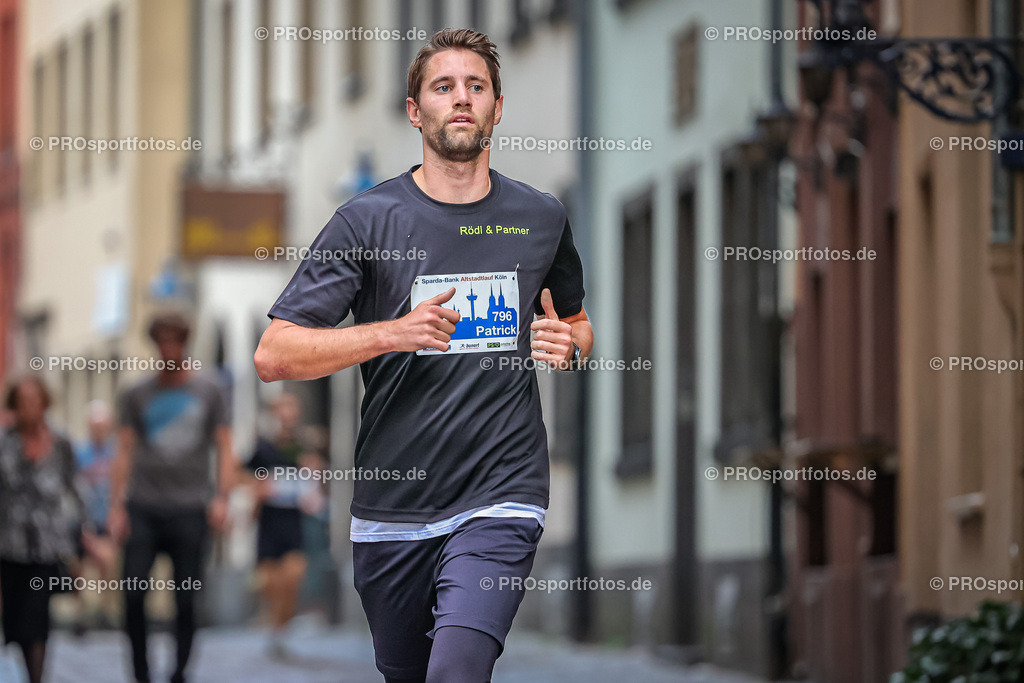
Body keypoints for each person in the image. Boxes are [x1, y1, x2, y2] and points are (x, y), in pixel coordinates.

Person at [255, 28, 592, 683]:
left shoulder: (540, 217)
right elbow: (275, 353)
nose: (461, 99)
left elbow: (576, 326)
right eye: (444, 87)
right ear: (415, 111)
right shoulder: (367, 220)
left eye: (476, 86)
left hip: (502, 491)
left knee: (455, 673)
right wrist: (390, 332)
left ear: (497, 107)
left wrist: (570, 345)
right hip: (393, 510)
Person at [108, 310, 238, 683]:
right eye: (161, 341)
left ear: (184, 343)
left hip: (190, 507)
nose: (168, 349)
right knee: (132, 593)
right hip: (144, 506)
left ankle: (180, 671)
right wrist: (117, 506)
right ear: (155, 345)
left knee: (186, 597)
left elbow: (224, 446)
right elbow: (125, 451)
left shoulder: (209, 389)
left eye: (174, 341)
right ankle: (141, 673)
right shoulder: (137, 393)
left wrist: (222, 498)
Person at [0, 377, 84, 683]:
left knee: (38, 612)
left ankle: (37, 677)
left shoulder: (60, 443)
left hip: (48, 543)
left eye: (34, 401)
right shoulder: (4, 442)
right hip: (10, 543)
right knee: (16, 617)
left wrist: (82, 536)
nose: (29, 409)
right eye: (22, 402)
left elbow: (75, 490)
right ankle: (28, 670)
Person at [246, 392, 313, 659]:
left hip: (294, 522)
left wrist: (313, 485)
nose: (287, 416)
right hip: (268, 524)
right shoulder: (264, 448)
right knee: (271, 584)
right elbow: (241, 475)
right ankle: (274, 627)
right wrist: (258, 488)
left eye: (291, 410)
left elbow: (315, 481)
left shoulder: (302, 447)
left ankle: (281, 631)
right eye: (282, 411)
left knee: (293, 577)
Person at [74, 399, 119, 630]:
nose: (99, 431)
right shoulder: (79, 453)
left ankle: (105, 611)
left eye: (103, 426)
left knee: (108, 559)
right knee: (75, 564)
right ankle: (80, 612)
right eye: (95, 426)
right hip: (82, 524)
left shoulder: (116, 453)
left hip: (107, 522)